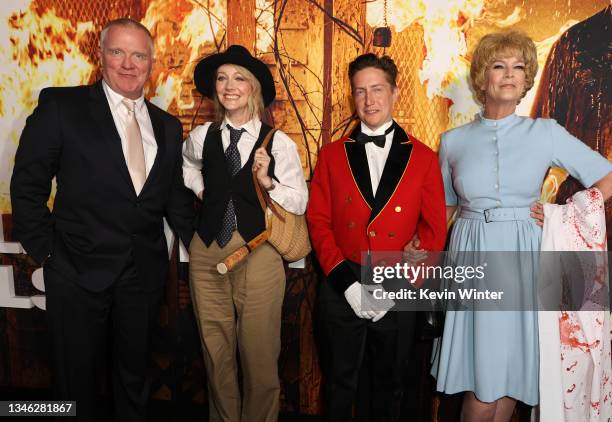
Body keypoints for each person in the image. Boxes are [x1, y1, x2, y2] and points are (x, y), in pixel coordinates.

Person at [9, 18, 194, 422]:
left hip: (141, 279)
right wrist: (50, 256)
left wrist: (209, 249)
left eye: (139, 55)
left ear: (151, 62)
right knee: (74, 385)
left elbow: (174, 199)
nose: (128, 64)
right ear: (101, 56)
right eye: (117, 52)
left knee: (134, 382)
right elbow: (26, 186)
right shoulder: (61, 106)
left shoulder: (167, 125)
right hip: (74, 273)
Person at [425, 30, 612, 422]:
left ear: (527, 79)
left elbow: (606, 177)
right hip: (471, 258)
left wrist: (565, 211)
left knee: (512, 375)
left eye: (519, 67)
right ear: (482, 77)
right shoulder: (452, 141)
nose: (509, 75)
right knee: (482, 383)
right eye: (499, 66)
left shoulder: (544, 132)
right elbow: (441, 212)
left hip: (526, 257)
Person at [306, 53, 447, 421]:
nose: (369, 101)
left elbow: (434, 232)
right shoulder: (332, 155)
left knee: (390, 388)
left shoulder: (424, 158)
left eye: (377, 90)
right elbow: (318, 222)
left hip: (396, 285)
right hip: (341, 285)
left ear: (395, 92)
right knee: (338, 388)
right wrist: (349, 286)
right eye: (360, 92)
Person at [182, 45, 308, 422]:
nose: (229, 85)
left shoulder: (278, 142)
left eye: (239, 78)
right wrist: (202, 190)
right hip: (207, 252)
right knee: (215, 353)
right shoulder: (202, 136)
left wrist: (267, 181)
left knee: (258, 355)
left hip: (258, 251)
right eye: (222, 78)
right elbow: (186, 167)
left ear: (253, 88)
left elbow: (299, 202)